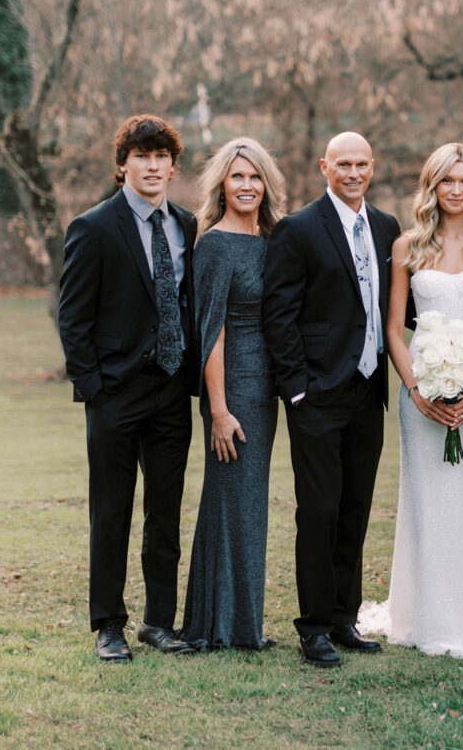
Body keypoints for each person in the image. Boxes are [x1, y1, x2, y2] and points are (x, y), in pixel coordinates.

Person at [58, 114, 197, 661]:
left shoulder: (186, 224)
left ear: (173, 166)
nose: (153, 166)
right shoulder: (93, 227)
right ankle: (109, 626)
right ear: (123, 165)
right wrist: (94, 388)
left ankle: (159, 622)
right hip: (114, 395)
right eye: (142, 156)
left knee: (165, 513)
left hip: (170, 391)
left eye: (162, 157)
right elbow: (73, 318)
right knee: (111, 513)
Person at [263, 132, 401, 668]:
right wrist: (298, 389)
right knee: (319, 510)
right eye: (343, 164)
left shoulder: (386, 227)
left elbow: (394, 305)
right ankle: (314, 625)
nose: (353, 173)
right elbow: (280, 315)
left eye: (361, 164)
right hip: (317, 394)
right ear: (325, 167)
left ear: (373, 166)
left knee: (354, 509)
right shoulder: (298, 229)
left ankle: (345, 618)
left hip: (369, 391)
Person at [379, 143, 463, 656]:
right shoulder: (408, 245)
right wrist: (416, 390)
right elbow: (394, 329)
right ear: (432, 185)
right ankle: (426, 619)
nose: (456, 190)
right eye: (446, 181)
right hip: (421, 391)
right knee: (426, 500)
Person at [180, 138, 287, 651]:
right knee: (231, 503)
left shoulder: (272, 240)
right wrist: (219, 410)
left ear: (267, 184)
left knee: (249, 505)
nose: (247, 185)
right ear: (221, 184)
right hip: (233, 392)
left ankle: (241, 622)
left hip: (266, 389)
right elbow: (212, 333)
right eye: (237, 176)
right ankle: (222, 627)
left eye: (255, 176)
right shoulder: (215, 245)